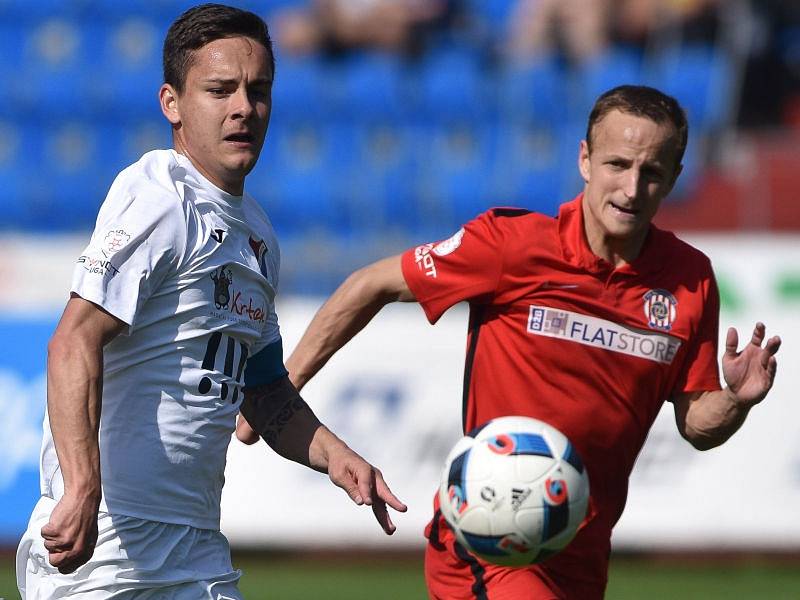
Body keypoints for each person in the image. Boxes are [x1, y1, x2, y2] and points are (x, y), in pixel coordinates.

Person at [236, 84, 782, 598]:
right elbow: (371, 283)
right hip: (492, 536)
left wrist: (733, 398)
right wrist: (280, 388)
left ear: (676, 176)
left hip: (581, 552)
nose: (632, 189)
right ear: (585, 160)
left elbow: (697, 426)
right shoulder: (513, 247)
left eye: (652, 172)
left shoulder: (690, 279)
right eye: (617, 164)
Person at [16, 4, 406, 599]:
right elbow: (73, 338)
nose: (243, 108)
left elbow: (266, 391)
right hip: (108, 553)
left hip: (195, 548)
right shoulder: (158, 199)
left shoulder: (258, 237)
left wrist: (335, 456)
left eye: (258, 91)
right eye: (220, 90)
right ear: (172, 103)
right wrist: (81, 489)